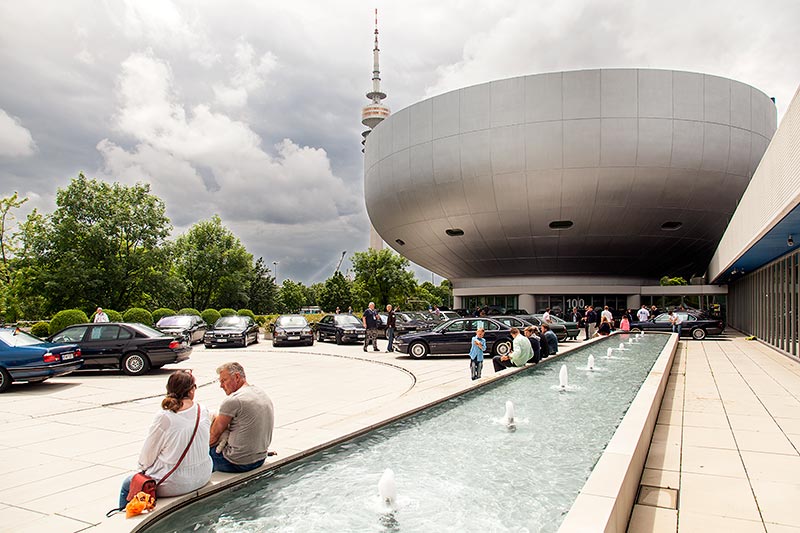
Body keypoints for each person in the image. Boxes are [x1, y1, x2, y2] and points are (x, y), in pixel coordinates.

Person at [118, 370, 212, 509]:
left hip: (174, 482)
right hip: (203, 475)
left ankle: (124, 521)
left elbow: (147, 456)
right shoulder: (202, 410)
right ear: (191, 391)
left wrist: (142, 470)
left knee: (128, 483)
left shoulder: (165, 417)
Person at [209, 362, 274, 473]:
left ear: (237, 377)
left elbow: (213, 437)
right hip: (260, 458)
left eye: (224, 381)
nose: (221, 386)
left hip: (236, 463)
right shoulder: (261, 393)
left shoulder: (234, 400)